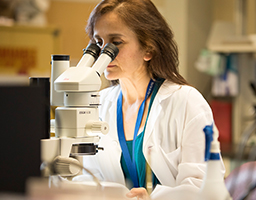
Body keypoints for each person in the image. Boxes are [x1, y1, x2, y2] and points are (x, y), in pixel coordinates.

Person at [74, 0, 224, 199]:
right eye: (98, 43)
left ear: (149, 50)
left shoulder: (186, 102)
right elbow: (88, 178)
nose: (104, 53)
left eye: (115, 43)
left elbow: (203, 187)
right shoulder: (98, 104)